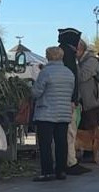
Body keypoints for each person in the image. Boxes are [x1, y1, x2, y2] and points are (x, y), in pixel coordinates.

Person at [30, 46, 75, 181]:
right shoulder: (69, 73)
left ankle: (47, 171)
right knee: (62, 143)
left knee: (45, 144)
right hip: (64, 113)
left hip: (46, 112)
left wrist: (30, 89)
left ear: (48, 57)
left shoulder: (46, 72)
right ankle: (61, 171)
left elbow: (36, 92)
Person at [58, 27, 90, 176]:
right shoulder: (69, 56)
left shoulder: (62, 54)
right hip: (68, 102)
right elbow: (72, 80)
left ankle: (65, 161)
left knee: (65, 134)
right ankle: (70, 162)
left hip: (64, 101)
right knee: (70, 133)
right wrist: (73, 99)